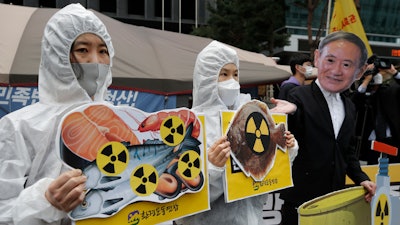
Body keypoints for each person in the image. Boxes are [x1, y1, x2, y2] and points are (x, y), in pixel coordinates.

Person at [0, 3, 114, 224]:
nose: (95, 61)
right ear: (57, 55)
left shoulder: (122, 120)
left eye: (103, 51)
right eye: (83, 50)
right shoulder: (19, 126)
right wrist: (44, 202)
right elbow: (3, 208)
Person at [175, 40, 298, 225]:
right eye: (223, 74)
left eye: (235, 74)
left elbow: (263, 178)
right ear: (206, 77)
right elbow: (182, 199)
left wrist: (284, 151)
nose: (231, 81)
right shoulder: (190, 126)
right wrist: (213, 169)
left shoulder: (249, 118)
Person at [270, 31, 377, 225]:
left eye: (346, 65)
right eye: (330, 60)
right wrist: (292, 112)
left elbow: (347, 150)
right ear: (317, 58)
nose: (337, 70)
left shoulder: (349, 106)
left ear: (359, 72)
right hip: (300, 201)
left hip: (334, 201)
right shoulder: (298, 96)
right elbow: (291, 131)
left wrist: (361, 178)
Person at [351, 55, 400, 164]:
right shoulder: (362, 89)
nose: (379, 75)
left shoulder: (392, 89)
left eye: (382, 72)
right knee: (372, 173)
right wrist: (366, 80)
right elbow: (354, 103)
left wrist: (394, 73)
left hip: (392, 139)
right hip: (370, 140)